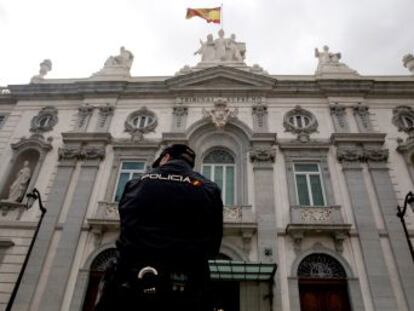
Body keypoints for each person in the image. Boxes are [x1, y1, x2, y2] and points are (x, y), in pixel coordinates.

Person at [95, 144, 223, 311]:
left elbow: (126, 225)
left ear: (166, 158)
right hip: (186, 282)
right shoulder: (209, 188)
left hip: (132, 278)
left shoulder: (136, 182)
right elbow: (214, 245)